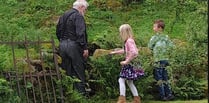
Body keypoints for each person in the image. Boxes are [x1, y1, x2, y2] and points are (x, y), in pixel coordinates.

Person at [56, 0, 89, 96]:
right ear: (81, 7)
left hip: (62, 45)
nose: (85, 12)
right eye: (85, 9)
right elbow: (80, 33)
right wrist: (84, 47)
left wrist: (62, 42)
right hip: (74, 45)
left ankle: (70, 94)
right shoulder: (78, 16)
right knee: (78, 69)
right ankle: (81, 95)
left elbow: (58, 32)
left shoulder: (63, 16)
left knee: (67, 70)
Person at [110, 24, 144, 103]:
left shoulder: (129, 41)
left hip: (130, 64)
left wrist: (126, 61)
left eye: (121, 32)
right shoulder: (129, 40)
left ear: (124, 32)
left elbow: (134, 52)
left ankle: (122, 99)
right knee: (129, 82)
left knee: (121, 80)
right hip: (132, 63)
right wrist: (115, 52)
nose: (120, 34)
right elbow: (125, 50)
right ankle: (136, 99)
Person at [148, 19, 175, 101]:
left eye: (154, 26)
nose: (153, 28)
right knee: (165, 77)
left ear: (159, 28)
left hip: (158, 60)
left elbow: (150, 46)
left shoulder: (154, 38)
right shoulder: (166, 37)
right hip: (165, 59)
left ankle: (163, 96)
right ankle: (168, 94)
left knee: (160, 78)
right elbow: (171, 47)